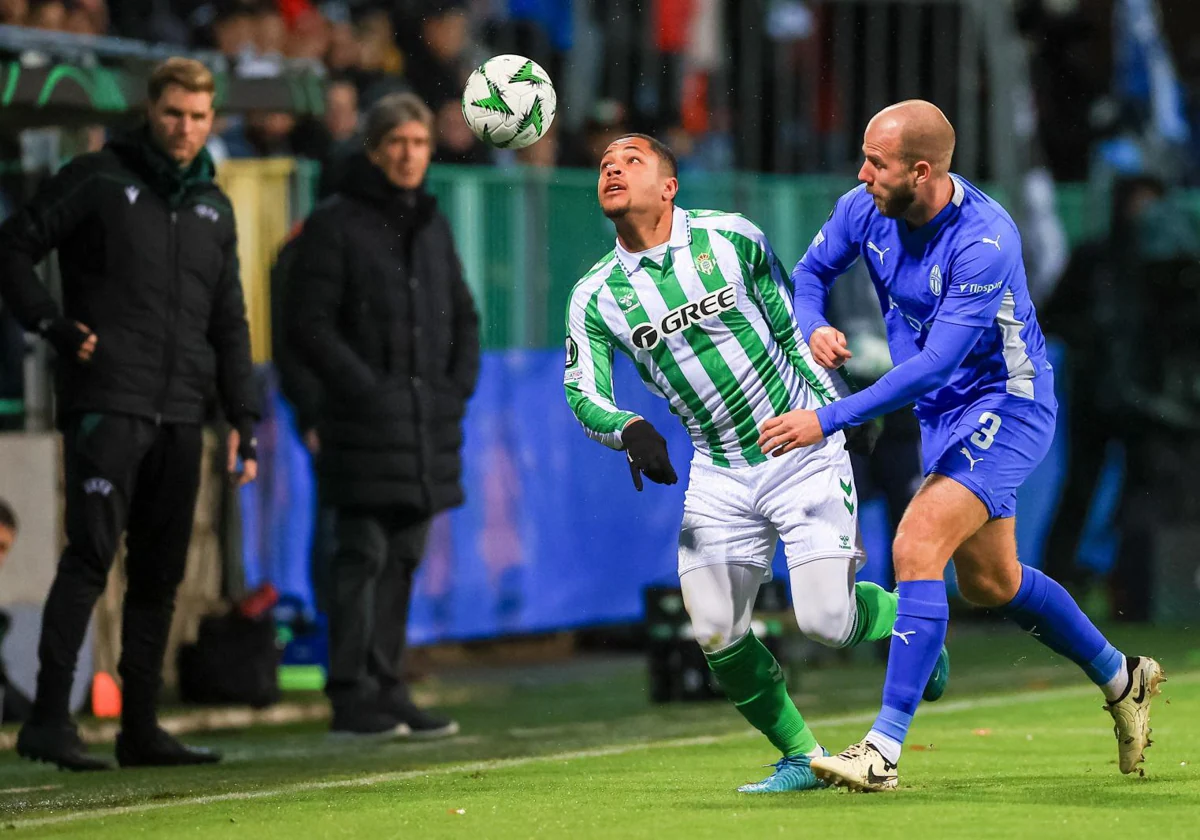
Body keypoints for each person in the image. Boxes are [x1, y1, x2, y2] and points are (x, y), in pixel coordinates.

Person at [758, 100, 1163, 792]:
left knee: (916, 544)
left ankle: (881, 752)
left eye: (875, 163)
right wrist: (812, 325)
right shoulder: (866, 208)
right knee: (991, 583)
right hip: (944, 414)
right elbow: (810, 274)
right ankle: (1122, 677)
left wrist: (828, 418)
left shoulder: (984, 240)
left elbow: (937, 364)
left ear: (921, 172)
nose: (862, 173)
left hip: (1008, 402)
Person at [562, 133, 948, 794]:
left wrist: (832, 420)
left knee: (827, 623)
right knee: (715, 631)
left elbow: (791, 328)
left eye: (632, 161)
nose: (613, 169)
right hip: (717, 472)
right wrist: (626, 427)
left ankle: (913, 626)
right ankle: (803, 756)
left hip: (799, 449)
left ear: (670, 185)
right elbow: (581, 390)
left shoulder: (731, 240)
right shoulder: (595, 296)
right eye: (605, 164)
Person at [0, 57, 260, 771]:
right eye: (174, 113)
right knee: (89, 559)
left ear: (213, 120)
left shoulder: (214, 204)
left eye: (199, 117)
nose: (185, 129)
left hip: (182, 413)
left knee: (159, 575)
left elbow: (229, 320)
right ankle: (50, 720)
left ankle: (139, 727)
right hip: (107, 402)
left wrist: (245, 415)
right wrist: (51, 325)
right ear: (151, 109)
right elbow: (13, 247)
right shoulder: (99, 177)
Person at [287, 92, 479, 739]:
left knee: (402, 556)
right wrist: (365, 393)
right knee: (360, 553)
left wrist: (455, 387)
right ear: (373, 150)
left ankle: (388, 686)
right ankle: (352, 694)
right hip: (363, 423)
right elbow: (308, 324)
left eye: (419, 142)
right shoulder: (336, 223)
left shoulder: (431, 222)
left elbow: (463, 314)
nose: (408, 154)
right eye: (396, 142)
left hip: (424, 422)